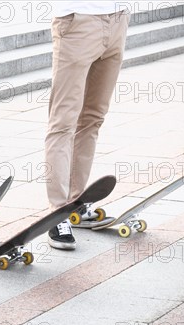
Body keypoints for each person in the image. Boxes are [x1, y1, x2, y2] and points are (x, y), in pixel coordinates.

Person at [45, 2, 130, 250]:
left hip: (118, 18)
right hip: (77, 20)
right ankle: (58, 213)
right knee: (63, 123)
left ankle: (76, 203)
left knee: (93, 118)